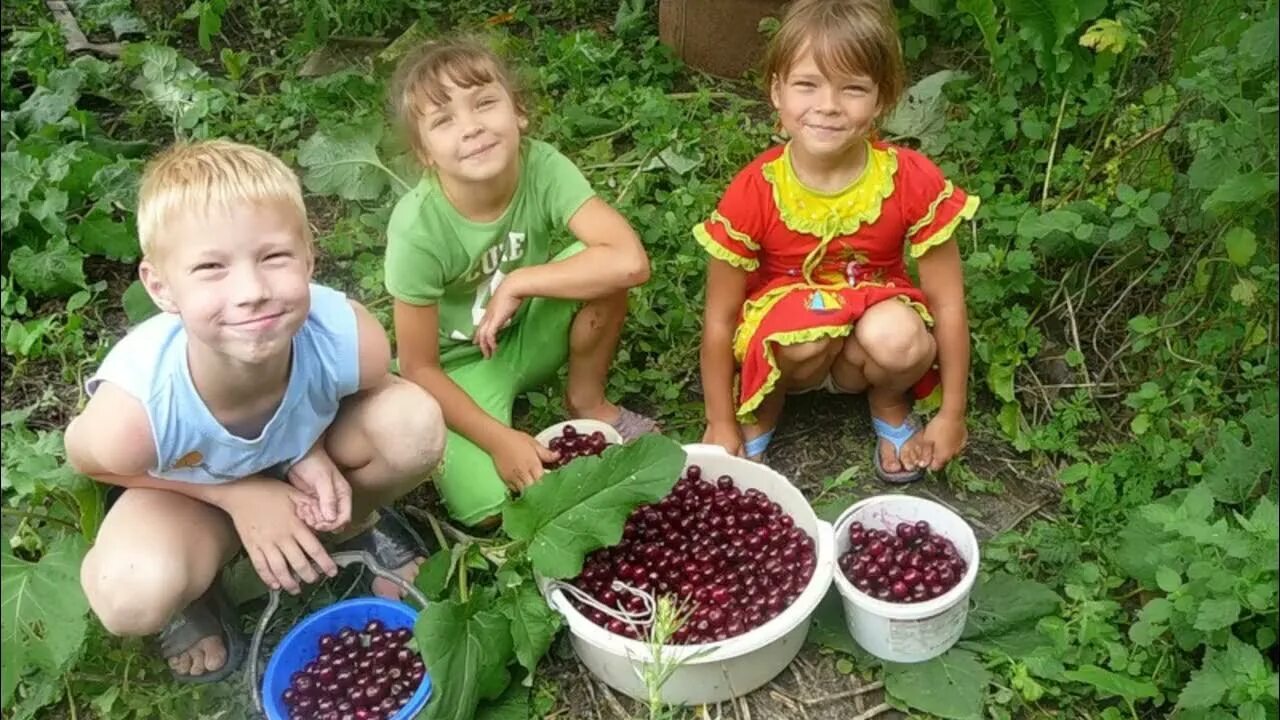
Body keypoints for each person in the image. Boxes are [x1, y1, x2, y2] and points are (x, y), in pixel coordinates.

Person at [65, 140, 446, 682]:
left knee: (412, 423)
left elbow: (362, 400)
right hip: (193, 488)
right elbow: (89, 461)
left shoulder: (350, 340)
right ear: (160, 287)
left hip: (294, 465)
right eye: (211, 267)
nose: (251, 291)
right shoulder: (137, 410)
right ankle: (192, 592)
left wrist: (305, 449)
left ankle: (349, 521)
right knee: (128, 592)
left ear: (309, 258)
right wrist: (238, 495)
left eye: (273, 257)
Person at [697, 0, 978, 482]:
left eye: (852, 89)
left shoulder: (909, 178)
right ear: (776, 91)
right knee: (804, 332)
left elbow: (948, 304)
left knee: (900, 339)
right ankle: (763, 405)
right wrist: (718, 420)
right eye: (807, 84)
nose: (827, 106)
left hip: (871, 324)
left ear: (881, 99)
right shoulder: (755, 189)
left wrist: (953, 414)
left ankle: (887, 397)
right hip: (790, 342)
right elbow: (720, 317)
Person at [385, 38, 655, 528]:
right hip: (458, 366)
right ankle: (492, 433)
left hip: (525, 328)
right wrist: (498, 439)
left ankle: (588, 402)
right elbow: (418, 366)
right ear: (425, 153)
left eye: (485, 103)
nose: (471, 128)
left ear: (520, 113)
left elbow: (630, 261)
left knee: (604, 268)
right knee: (490, 510)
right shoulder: (417, 228)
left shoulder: (541, 164)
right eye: (443, 120)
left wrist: (522, 280)